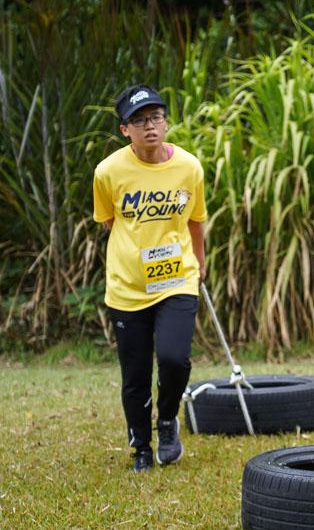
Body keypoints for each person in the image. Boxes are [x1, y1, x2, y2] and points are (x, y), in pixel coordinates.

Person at [93, 84, 207, 472]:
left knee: (174, 359)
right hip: (127, 287)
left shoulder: (189, 167)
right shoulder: (108, 172)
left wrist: (200, 263)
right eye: (139, 121)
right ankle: (141, 446)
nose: (150, 127)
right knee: (135, 374)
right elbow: (111, 221)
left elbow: (195, 220)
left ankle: (168, 420)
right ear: (125, 130)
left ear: (167, 122)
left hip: (177, 280)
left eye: (156, 117)